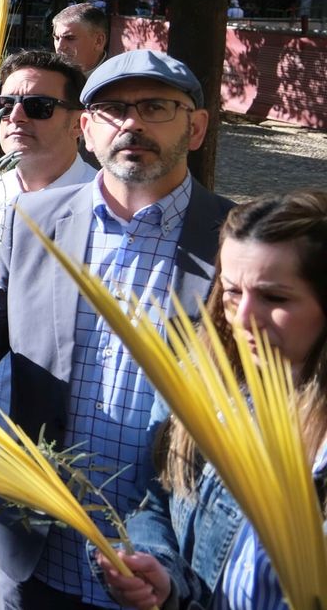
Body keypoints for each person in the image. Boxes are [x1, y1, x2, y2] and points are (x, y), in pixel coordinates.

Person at [0, 49, 235, 609]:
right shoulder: (34, 221)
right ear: (86, 128)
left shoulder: (236, 241)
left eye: (155, 107)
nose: (132, 123)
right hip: (39, 549)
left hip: (165, 566)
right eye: (113, 109)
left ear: (195, 128)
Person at [98, 190, 327, 610]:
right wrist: (164, 577)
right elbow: (158, 499)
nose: (242, 319)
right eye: (232, 290)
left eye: (275, 297)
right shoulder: (201, 380)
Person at [0, 49, 96, 610]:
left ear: (80, 121)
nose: (16, 116)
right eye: (6, 103)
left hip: (58, 439)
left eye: (39, 105)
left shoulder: (102, 207)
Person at [51, 3, 109, 75]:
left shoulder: (118, 80)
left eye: (70, 38)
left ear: (98, 41)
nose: (60, 47)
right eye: (57, 38)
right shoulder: (49, 77)